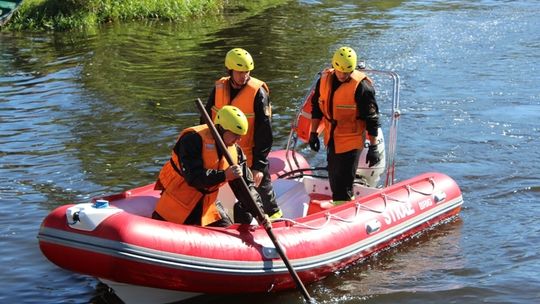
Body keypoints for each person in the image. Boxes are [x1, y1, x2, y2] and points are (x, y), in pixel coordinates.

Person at [202, 48, 282, 219]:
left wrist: (259, 167)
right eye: (239, 72)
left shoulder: (258, 92)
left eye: (247, 72)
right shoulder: (219, 88)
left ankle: (276, 222)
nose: (244, 76)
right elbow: (206, 120)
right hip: (224, 153)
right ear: (230, 70)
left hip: (250, 155)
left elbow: (265, 132)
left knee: (264, 198)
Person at [152, 105, 262, 227]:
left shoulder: (236, 152)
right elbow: (193, 177)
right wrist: (224, 175)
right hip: (180, 200)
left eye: (240, 135)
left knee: (227, 231)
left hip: (208, 203)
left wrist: (260, 213)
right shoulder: (192, 140)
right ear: (221, 128)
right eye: (235, 134)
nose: (239, 139)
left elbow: (246, 186)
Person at [308, 46, 382, 205]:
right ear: (334, 67)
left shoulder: (362, 87)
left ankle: (344, 208)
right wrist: (313, 133)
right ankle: (341, 203)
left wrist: (374, 147)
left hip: (351, 140)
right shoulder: (324, 80)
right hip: (332, 137)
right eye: (339, 71)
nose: (342, 75)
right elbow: (316, 108)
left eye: (347, 72)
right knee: (334, 179)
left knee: (343, 185)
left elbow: (372, 119)